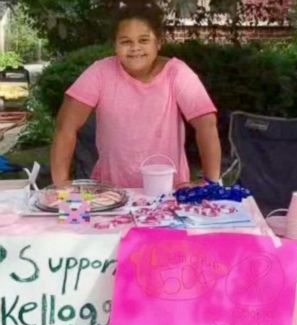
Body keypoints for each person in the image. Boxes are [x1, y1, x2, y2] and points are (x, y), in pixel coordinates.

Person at [50, 0, 221, 188]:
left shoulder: (177, 74)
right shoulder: (100, 72)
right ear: (115, 44)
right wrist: (60, 183)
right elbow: (65, 126)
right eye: (126, 42)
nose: (135, 48)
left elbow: (207, 125)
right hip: (111, 194)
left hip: (170, 192)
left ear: (159, 42)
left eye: (144, 40)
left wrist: (210, 182)